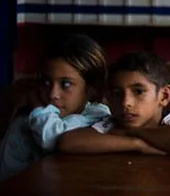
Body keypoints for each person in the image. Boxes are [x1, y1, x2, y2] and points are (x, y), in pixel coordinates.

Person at [0, 34, 110, 180]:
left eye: (66, 84)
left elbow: (53, 138)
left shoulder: (98, 115)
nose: (53, 94)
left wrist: (38, 108)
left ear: (92, 88)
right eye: (46, 82)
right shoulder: (23, 125)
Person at [56, 52, 170, 155]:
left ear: (164, 96)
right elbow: (68, 142)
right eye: (116, 94)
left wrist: (129, 131)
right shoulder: (114, 122)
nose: (125, 103)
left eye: (138, 91)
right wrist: (137, 144)